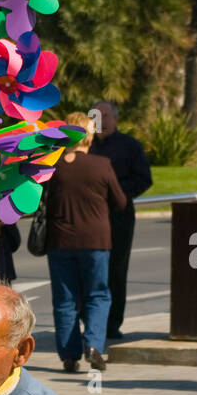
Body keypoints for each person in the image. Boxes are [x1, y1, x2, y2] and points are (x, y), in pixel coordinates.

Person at [45, 111, 127, 373]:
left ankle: (69, 356)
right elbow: (120, 202)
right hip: (95, 241)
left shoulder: (53, 167)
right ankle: (92, 345)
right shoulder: (101, 165)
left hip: (60, 241)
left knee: (65, 300)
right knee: (97, 295)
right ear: (88, 138)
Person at [90, 101, 152, 340]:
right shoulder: (84, 146)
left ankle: (112, 323)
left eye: (105, 116)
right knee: (91, 271)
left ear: (115, 119)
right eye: (96, 116)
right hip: (88, 220)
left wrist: (117, 193)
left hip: (119, 218)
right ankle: (92, 321)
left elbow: (143, 179)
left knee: (116, 270)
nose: (101, 122)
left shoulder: (130, 146)